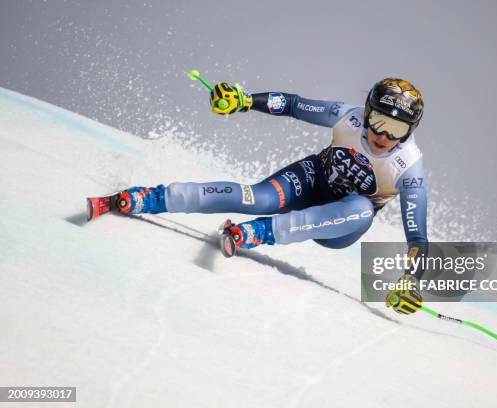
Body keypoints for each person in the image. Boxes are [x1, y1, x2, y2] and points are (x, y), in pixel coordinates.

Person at [110, 78, 427, 315]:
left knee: (360, 208)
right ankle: (152, 198)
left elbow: (418, 239)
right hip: (313, 177)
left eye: (398, 130)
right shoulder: (349, 116)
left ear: (410, 131)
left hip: (341, 222)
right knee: (259, 198)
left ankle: (260, 232)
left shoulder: (410, 169)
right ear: (368, 113)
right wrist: (243, 100)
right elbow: (293, 105)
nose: (384, 136)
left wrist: (410, 280)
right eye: (379, 122)